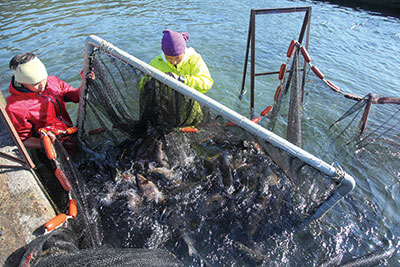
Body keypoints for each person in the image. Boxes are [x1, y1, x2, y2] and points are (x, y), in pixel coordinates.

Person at [5, 52, 86, 149]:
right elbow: (24, 139)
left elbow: (76, 97)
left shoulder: (52, 81)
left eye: (43, 79)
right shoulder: (15, 108)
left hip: (69, 131)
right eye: (35, 83)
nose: (42, 85)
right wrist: (48, 145)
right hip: (47, 145)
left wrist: (84, 82)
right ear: (21, 82)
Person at [140, 29, 213, 128]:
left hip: (191, 109)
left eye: (178, 58)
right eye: (169, 58)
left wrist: (182, 80)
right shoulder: (155, 63)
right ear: (164, 53)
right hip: (166, 109)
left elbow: (206, 83)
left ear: (183, 52)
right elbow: (142, 87)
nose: (174, 62)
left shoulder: (194, 59)